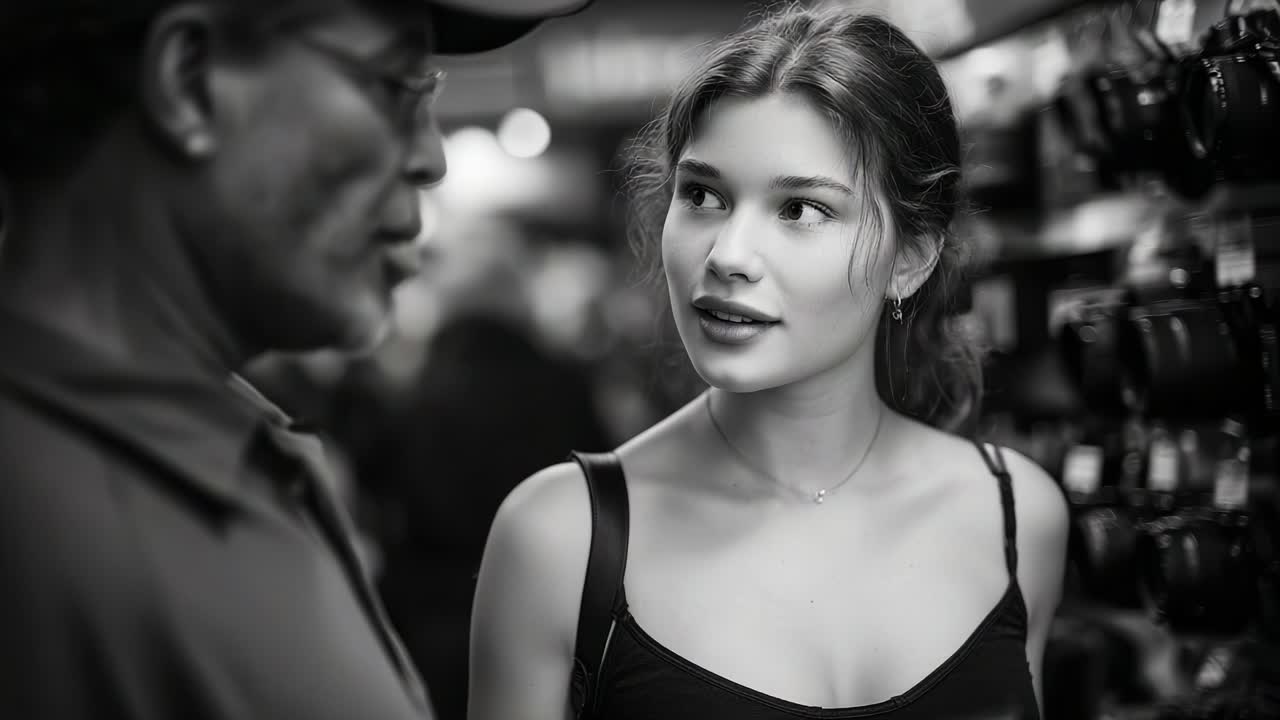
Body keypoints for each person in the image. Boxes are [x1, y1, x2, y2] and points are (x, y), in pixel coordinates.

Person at [469, 5, 1071, 720]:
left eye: (801, 210)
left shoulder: (1017, 519)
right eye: (702, 195)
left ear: (909, 258)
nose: (727, 255)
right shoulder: (558, 540)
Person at [0, 1, 589, 719]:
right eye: (394, 83)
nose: (431, 157)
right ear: (191, 80)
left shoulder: (226, 446)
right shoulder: (45, 510)